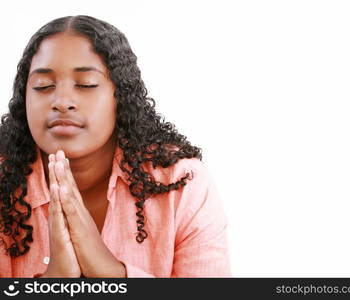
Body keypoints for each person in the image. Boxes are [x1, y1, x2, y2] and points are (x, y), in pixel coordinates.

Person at [0, 15, 231, 278]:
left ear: (120, 97)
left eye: (86, 84)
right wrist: (56, 281)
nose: (62, 101)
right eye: (44, 86)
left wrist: (109, 271)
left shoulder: (182, 184)